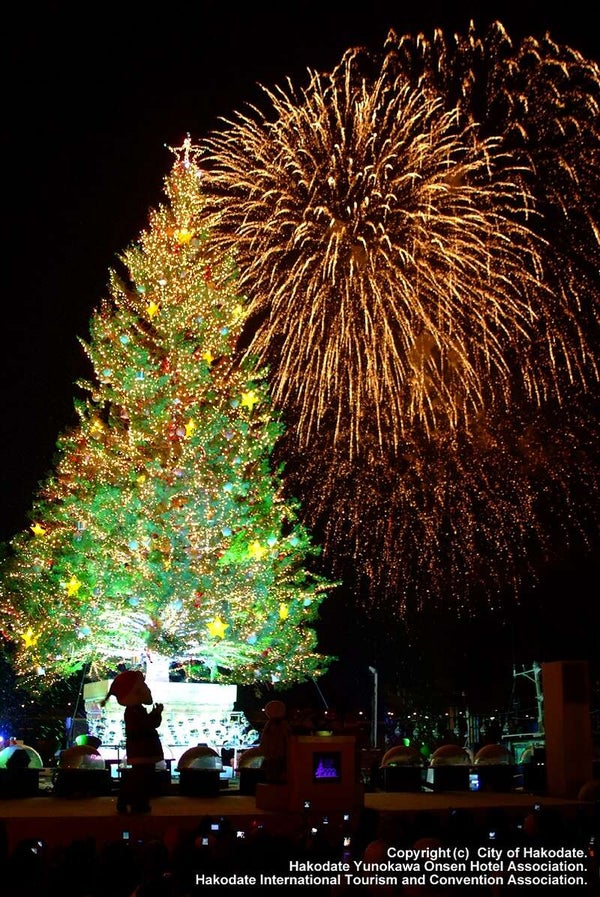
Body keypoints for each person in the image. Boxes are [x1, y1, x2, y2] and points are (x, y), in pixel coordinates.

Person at [101, 669, 164, 814]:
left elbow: (149, 724)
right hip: (142, 750)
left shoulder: (136, 710)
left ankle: (132, 803)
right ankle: (136, 804)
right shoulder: (133, 711)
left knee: (140, 778)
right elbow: (145, 726)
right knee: (140, 779)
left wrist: (156, 714)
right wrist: (155, 714)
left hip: (142, 750)